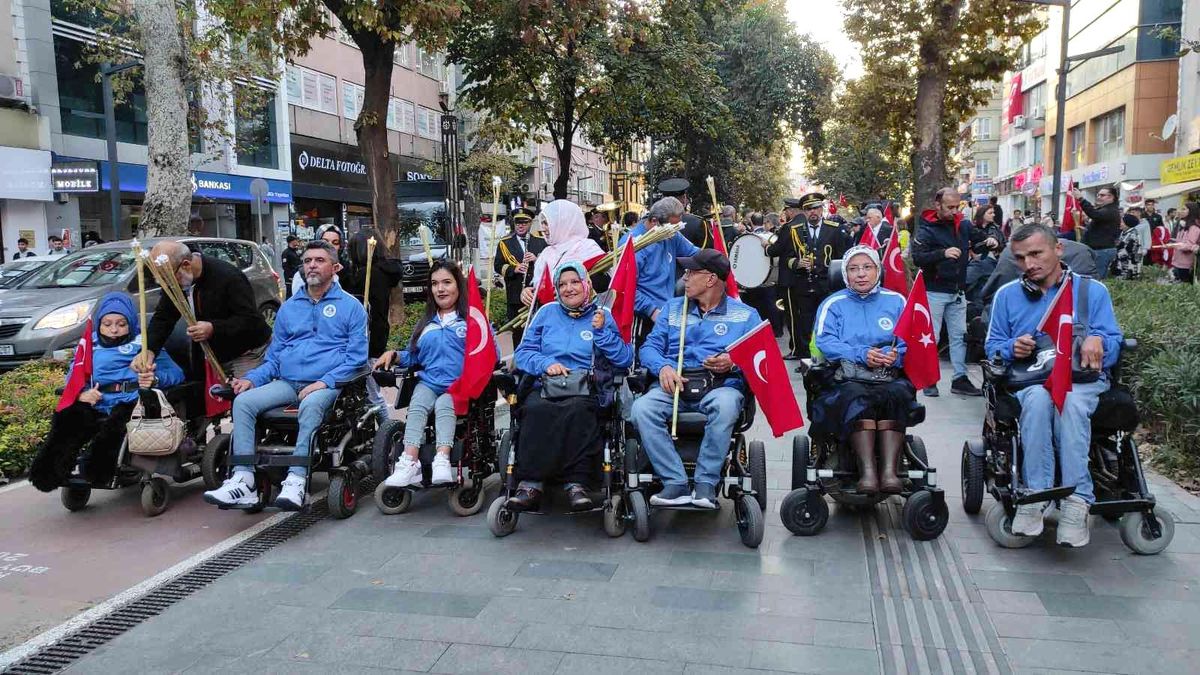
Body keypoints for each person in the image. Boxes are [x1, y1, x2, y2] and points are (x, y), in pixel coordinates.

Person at [984, 223, 1123, 547]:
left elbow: (1115, 342)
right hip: (1032, 379)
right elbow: (992, 347)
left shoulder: (1091, 292)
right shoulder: (1007, 296)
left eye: (1036, 253)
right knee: (1037, 402)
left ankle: (1077, 502)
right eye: (1020, 258)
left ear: (1057, 250)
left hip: (1081, 379)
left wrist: (1098, 340)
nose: (1029, 264)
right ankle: (1036, 495)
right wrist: (1010, 348)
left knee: (1071, 404)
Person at [203, 240, 368, 510]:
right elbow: (275, 357)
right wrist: (252, 379)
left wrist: (322, 383)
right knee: (244, 402)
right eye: (307, 261)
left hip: (328, 383)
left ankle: (296, 479)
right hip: (288, 381)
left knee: (311, 404)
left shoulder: (351, 307)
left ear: (335, 267)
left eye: (319, 260)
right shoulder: (289, 307)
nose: (311, 265)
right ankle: (244, 479)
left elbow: (357, 358)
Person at [631, 250, 762, 509]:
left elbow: (762, 360)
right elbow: (648, 348)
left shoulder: (746, 315)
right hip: (674, 384)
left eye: (691, 272)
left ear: (711, 279)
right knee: (641, 409)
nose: (685, 277)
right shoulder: (672, 308)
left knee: (725, 407)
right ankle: (674, 482)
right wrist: (663, 367)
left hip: (720, 386)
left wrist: (734, 361)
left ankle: (705, 483)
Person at [506, 262, 633, 511]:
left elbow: (624, 359)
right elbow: (523, 353)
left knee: (577, 410)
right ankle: (531, 484)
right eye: (562, 284)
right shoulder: (546, 313)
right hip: (547, 384)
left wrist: (602, 333)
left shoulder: (601, 315)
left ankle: (577, 484)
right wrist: (546, 363)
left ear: (586, 284)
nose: (569, 288)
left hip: (586, 386)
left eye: (575, 282)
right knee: (535, 409)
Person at [29, 293, 184, 491]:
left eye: (121, 324)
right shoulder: (89, 344)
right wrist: (81, 393)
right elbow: (73, 375)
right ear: (99, 324)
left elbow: (177, 373)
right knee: (67, 417)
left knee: (115, 427)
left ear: (130, 322)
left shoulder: (145, 345)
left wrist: (155, 379)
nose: (114, 330)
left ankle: (97, 472)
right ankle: (48, 474)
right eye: (107, 324)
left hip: (133, 400)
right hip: (98, 400)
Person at [376, 261, 499, 488]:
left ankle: (442, 457)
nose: (440, 289)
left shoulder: (471, 319)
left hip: (459, 386)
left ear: (459, 286)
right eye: (434, 284)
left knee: (444, 406)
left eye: (446, 282)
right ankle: (409, 461)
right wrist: (394, 354)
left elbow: (492, 353)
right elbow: (414, 356)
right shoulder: (426, 324)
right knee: (417, 405)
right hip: (430, 382)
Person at [811, 246, 913, 494]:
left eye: (867, 267)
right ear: (844, 274)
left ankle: (888, 471)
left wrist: (895, 355)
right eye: (853, 269)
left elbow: (911, 337)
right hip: (847, 375)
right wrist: (861, 354)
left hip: (887, 374)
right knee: (857, 397)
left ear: (878, 270)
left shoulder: (897, 300)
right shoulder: (833, 304)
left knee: (897, 395)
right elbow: (824, 341)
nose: (861, 274)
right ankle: (867, 472)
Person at [132, 241, 271, 381]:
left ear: (186, 265)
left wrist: (213, 328)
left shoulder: (228, 276)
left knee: (242, 396)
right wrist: (149, 349)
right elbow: (164, 317)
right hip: (209, 353)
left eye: (169, 277)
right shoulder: (176, 280)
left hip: (246, 352)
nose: (167, 284)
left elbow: (251, 320)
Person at [910, 188, 994, 397]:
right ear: (938, 205)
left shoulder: (962, 224)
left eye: (958, 207)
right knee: (931, 337)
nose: (955, 211)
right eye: (950, 207)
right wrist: (942, 253)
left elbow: (979, 240)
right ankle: (929, 379)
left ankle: (960, 378)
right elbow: (918, 258)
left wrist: (990, 241)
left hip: (957, 291)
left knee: (959, 336)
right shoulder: (927, 229)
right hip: (934, 290)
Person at [768, 192, 848, 362]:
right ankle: (807, 359)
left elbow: (842, 259)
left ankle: (830, 357)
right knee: (805, 322)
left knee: (828, 321)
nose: (812, 212)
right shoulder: (794, 230)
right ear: (803, 212)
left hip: (827, 285)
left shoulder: (834, 229)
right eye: (808, 209)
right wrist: (797, 263)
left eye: (815, 208)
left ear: (821, 209)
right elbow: (786, 258)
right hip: (803, 283)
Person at [618, 197, 700, 344]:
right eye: (672, 226)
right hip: (643, 318)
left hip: (667, 312)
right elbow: (625, 287)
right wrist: (652, 310)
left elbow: (694, 252)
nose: (676, 230)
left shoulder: (671, 233)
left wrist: (715, 258)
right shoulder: (633, 244)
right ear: (655, 220)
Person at [523, 200, 608, 309]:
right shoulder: (546, 253)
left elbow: (602, 286)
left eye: (547, 223)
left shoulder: (587, 248)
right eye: (543, 223)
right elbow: (536, 286)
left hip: (581, 318)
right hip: (549, 317)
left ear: (564, 223)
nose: (543, 229)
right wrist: (526, 292)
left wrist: (566, 291)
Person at [494, 207, 546, 345]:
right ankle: (519, 362)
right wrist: (514, 269)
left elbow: (549, 264)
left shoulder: (541, 241)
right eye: (518, 223)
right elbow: (498, 266)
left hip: (537, 295)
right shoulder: (505, 243)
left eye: (524, 222)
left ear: (530, 223)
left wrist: (537, 259)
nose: (520, 226)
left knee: (538, 330)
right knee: (518, 333)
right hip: (516, 295)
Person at [1073, 185, 1120, 278]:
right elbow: (1103, 229)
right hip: (1098, 250)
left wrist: (1081, 199)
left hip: (1102, 251)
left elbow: (1094, 214)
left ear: (1111, 197)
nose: (1099, 197)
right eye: (1098, 195)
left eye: (1102, 195)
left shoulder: (1111, 210)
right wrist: (1087, 230)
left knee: (1096, 279)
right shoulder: (1106, 209)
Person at [292, 226, 344, 296]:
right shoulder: (303, 273)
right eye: (325, 241)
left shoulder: (347, 270)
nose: (330, 245)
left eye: (335, 242)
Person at [658, 178, 708, 248]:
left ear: (663, 199)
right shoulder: (697, 223)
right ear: (684, 199)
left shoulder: (652, 222)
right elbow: (706, 253)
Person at [1169, 202, 1200, 284]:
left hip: (1186, 263)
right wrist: (1171, 243)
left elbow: (1189, 246)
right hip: (1178, 261)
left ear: (1191, 211)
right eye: (1180, 209)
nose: (1180, 211)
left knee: (1185, 286)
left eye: (1184, 209)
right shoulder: (1183, 226)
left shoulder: (1194, 228)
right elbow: (1180, 241)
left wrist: (1174, 245)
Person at [1115, 213, 1144, 280]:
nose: (1120, 223)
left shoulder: (1133, 235)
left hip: (1129, 267)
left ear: (1128, 223)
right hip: (1122, 265)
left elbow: (1128, 251)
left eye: (1122, 222)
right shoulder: (1124, 232)